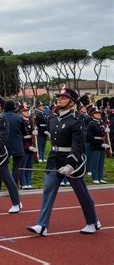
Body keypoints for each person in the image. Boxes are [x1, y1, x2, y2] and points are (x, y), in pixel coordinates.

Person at [27, 87, 101, 236]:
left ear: (72, 103)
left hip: (71, 162)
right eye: (59, 97)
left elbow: (77, 146)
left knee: (82, 194)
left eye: (64, 98)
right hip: (54, 159)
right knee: (48, 193)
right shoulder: (52, 119)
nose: (59, 99)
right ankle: (42, 225)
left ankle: (92, 221)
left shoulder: (77, 121)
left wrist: (70, 164)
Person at [86, 108, 109, 184]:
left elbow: (103, 134)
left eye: (99, 113)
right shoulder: (91, 124)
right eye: (96, 113)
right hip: (95, 145)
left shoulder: (101, 123)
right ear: (92, 115)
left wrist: (107, 130)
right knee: (95, 162)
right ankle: (95, 177)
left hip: (102, 144)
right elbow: (90, 137)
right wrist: (100, 143)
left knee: (101, 162)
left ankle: (100, 177)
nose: (98, 115)